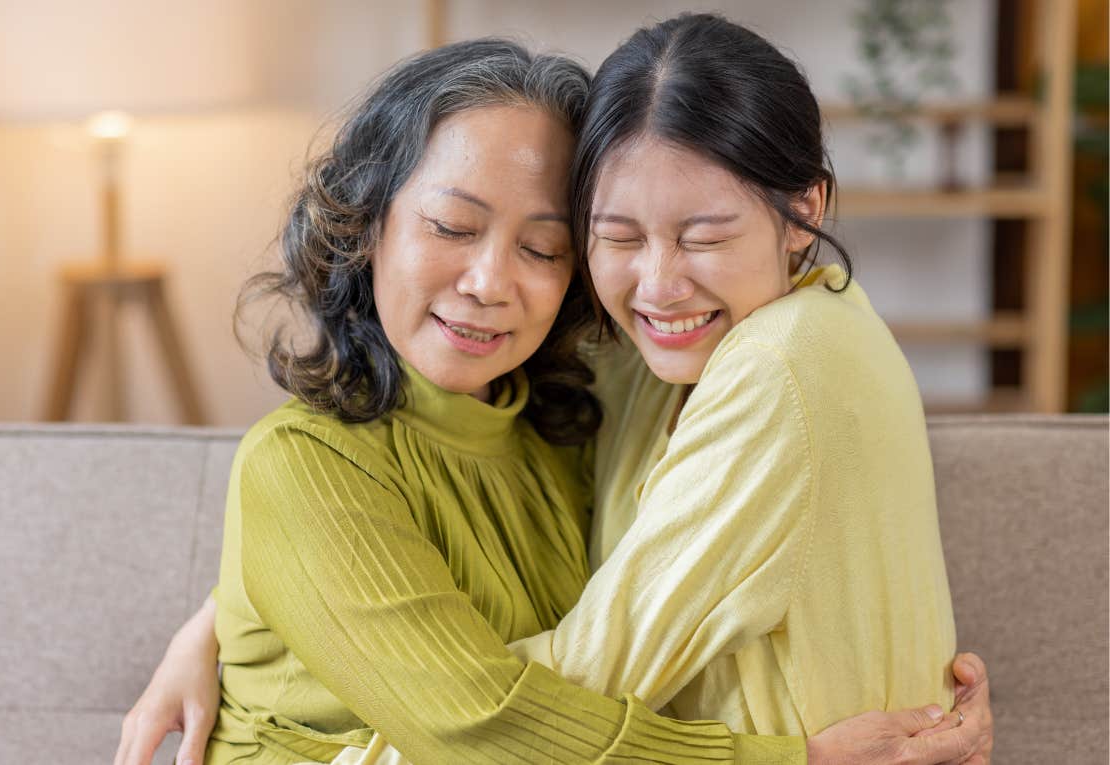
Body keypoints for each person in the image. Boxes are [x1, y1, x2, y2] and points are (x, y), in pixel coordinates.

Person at [114, 36, 993, 765]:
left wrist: (219, 616)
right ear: (366, 218)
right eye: (453, 228)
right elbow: (479, 722)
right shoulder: (300, 465)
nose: (490, 282)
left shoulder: (584, 413)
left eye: (545, 246)